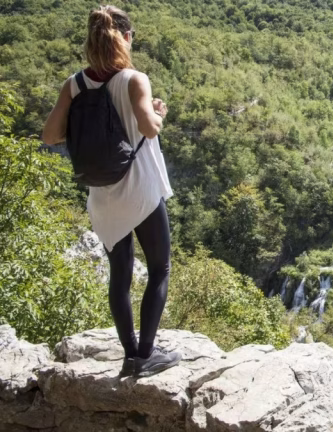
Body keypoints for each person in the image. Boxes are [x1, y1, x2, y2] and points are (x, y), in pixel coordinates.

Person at [42, 5, 180, 378]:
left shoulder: (74, 85)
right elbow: (149, 129)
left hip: (101, 196)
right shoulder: (134, 79)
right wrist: (157, 113)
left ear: (91, 41)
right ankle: (145, 355)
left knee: (119, 275)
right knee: (159, 268)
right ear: (127, 37)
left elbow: (50, 136)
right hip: (139, 190)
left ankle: (129, 354)